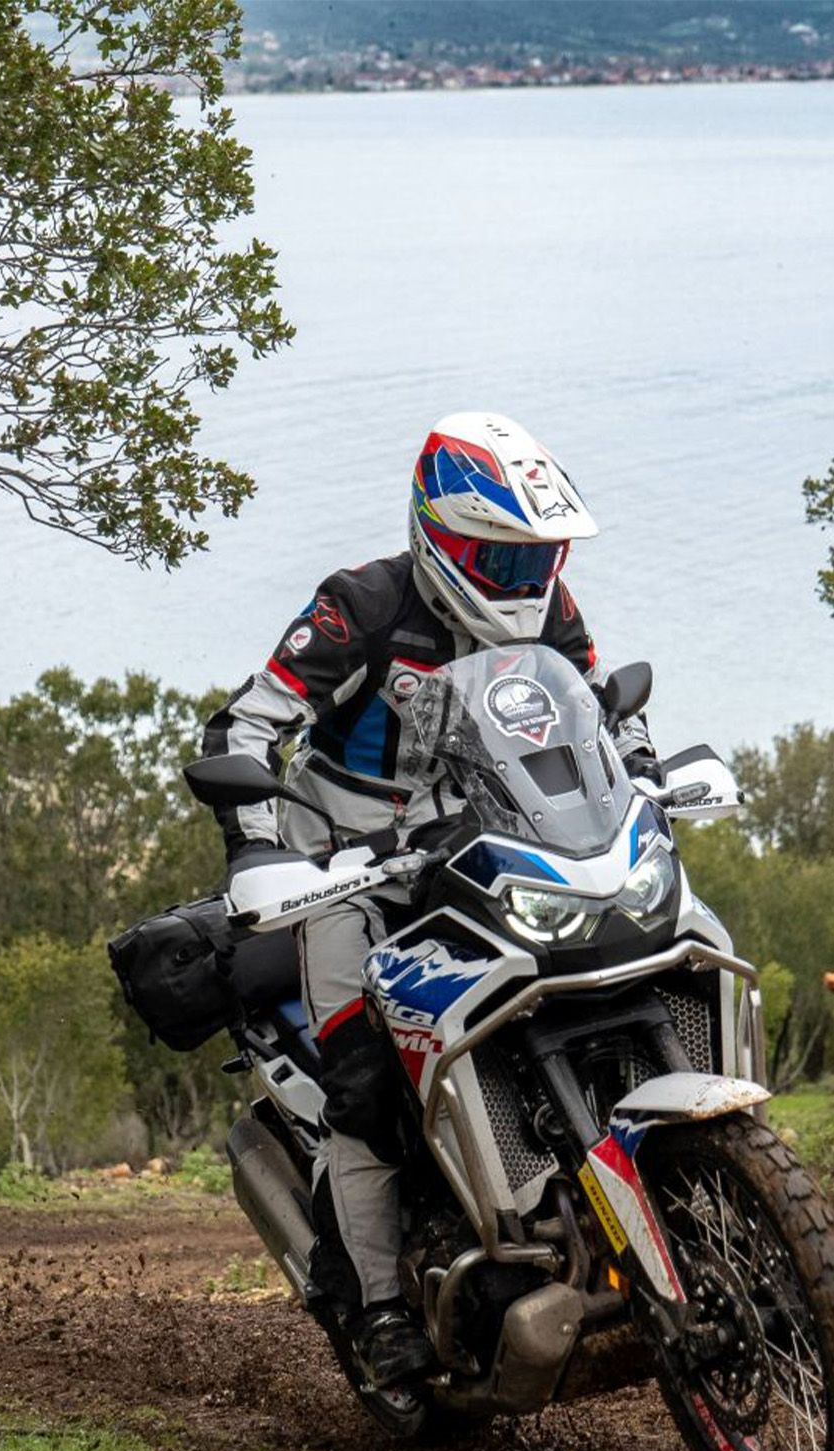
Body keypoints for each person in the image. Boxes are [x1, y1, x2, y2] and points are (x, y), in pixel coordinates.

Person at [201, 412, 658, 1388]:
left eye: (538, 557)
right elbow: (244, 725)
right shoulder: (361, 608)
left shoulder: (551, 608)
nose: (523, 579)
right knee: (364, 1083)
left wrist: (646, 782)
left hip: (486, 849)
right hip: (349, 868)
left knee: (605, 973)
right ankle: (375, 1310)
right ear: (441, 538)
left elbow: (602, 710)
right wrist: (259, 848)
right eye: (502, 558)